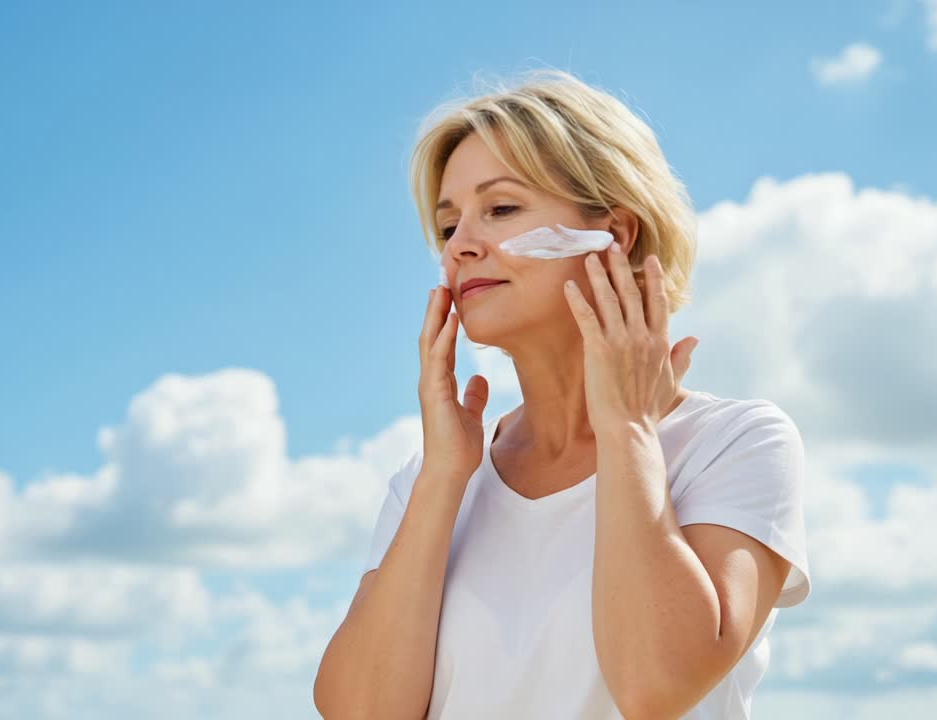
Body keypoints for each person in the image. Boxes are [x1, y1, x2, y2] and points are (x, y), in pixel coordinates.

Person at [314, 68, 811, 720]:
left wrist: (628, 430)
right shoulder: (432, 479)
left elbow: (656, 687)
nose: (461, 245)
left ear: (618, 235)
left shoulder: (734, 444)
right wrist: (443, 479)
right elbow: (361, 712)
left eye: (501, 209)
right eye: (447, 226)